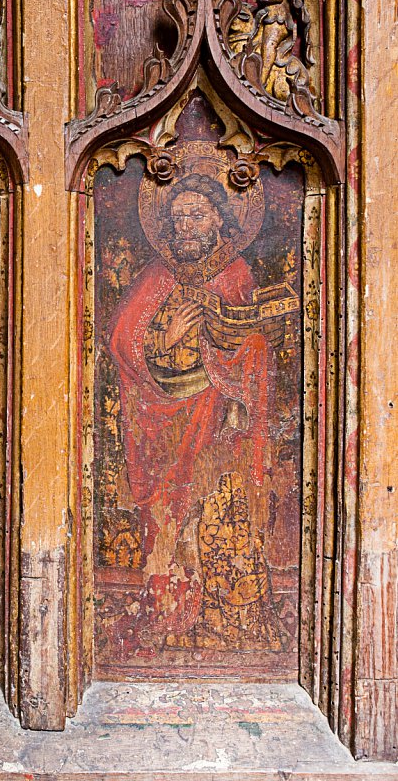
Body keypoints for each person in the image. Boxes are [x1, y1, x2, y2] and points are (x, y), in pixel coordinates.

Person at [108, 169, 277, 574]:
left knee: (211, 510)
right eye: (179, 218)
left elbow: (252, 339)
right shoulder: (158, 272)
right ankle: (165, 582)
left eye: (197, 217)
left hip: (215, 410)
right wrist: (165, 339)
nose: (185, 227)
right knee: (166, 514)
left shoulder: (236, 273)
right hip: (160, 407)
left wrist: (237, 346)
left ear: (220, 218)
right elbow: (120, 337)